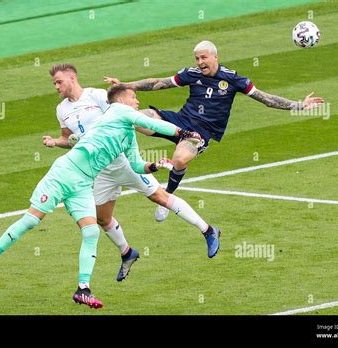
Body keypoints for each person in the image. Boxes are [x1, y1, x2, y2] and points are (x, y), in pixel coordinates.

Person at [0, 83, 213, 309]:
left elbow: (136, 164)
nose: (137, 101)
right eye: (134, 97)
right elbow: (150, 122)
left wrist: (155, 165)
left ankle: (83, 289)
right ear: (122, 100)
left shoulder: (127, 135)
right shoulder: (118, 110)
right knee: (31, 220)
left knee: (91, 231)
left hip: (83, 184)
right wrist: (184, 132)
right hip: (64, 173)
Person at [103, 40, 325, 222]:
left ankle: (168, 194)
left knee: (179, 160)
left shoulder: (234, 80)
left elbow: (266, 99)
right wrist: (125, 86)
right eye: (197, 58)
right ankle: (113, 154)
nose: (200, 62)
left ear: (215, 57)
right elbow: (158, 83)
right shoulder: (191, 74)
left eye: (203, 58)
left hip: (202, 132)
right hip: (179, 120)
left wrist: (298, 105)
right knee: (135, 118)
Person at [42, 64, 222, 281]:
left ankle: (208, 230)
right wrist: (56, 142)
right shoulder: (62, 110)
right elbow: (68, 138)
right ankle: (127, 253)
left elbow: (127, 111)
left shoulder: (97, 96)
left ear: (72, 78)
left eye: (59, 81)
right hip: (100, 169)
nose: (56, 86)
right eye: (54, 83)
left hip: (122, 161)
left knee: (160, 197)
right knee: (102, 218)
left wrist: (181, 132)